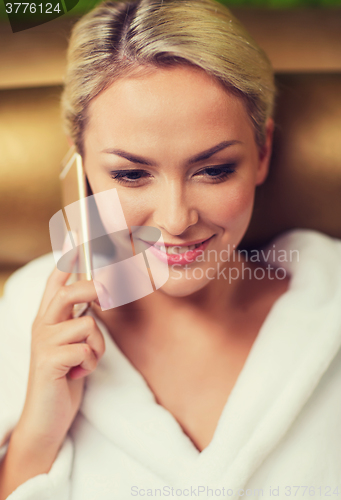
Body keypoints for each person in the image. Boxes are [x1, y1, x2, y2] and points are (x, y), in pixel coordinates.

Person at [1, 0, 341, 498]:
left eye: (215, 169)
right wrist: (39, 427)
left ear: (263, 153)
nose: (177, 220)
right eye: (132, 175)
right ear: (81, 171)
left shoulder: (330, 300)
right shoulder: (25, 317)